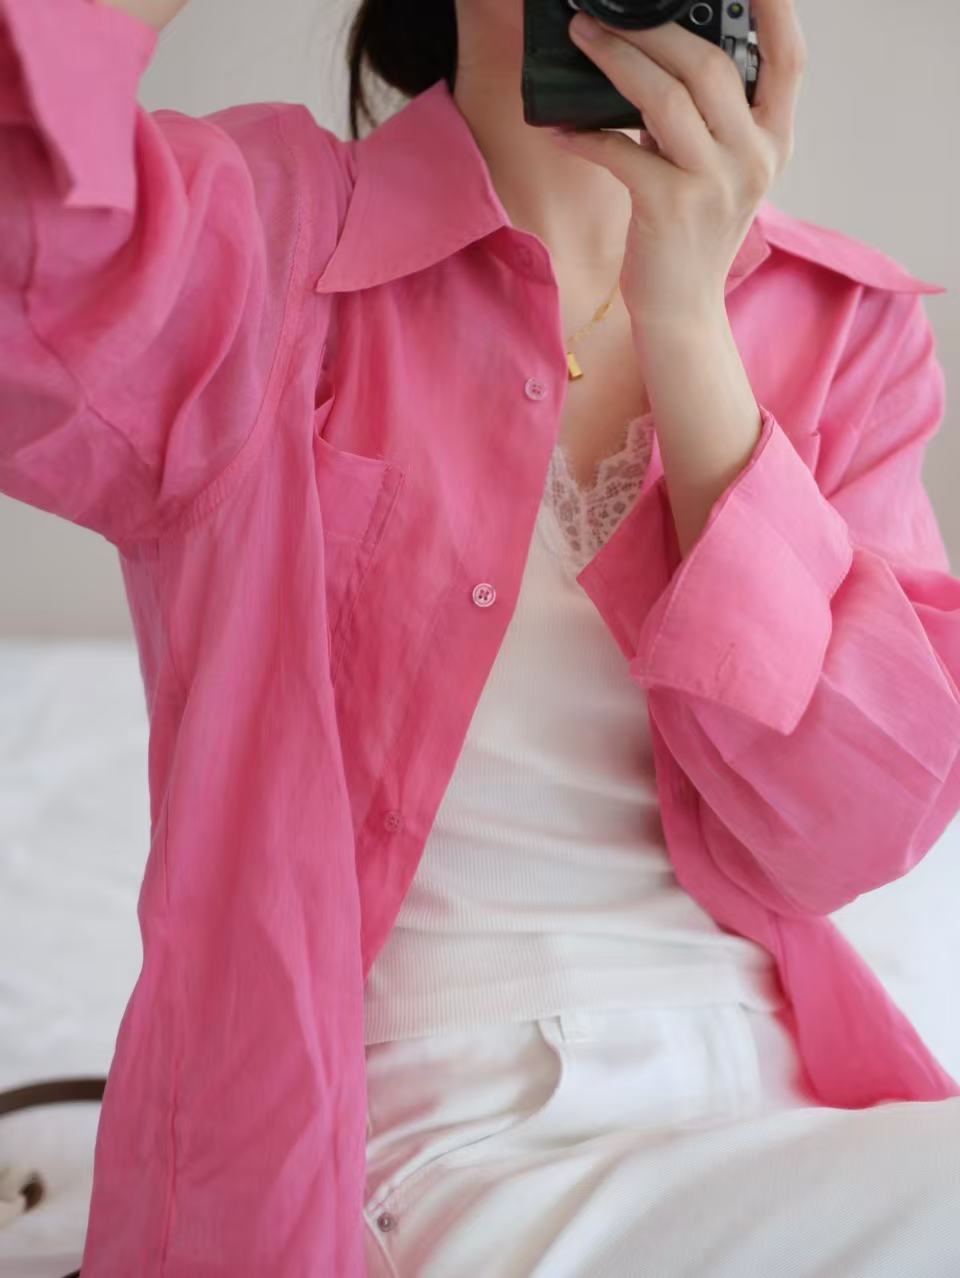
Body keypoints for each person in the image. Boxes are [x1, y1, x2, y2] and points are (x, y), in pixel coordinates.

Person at [2, 0, 959, 1274]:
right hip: (430, 1135)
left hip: (783, 1108)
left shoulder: (849, 327)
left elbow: (848, 833)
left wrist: (687, 324)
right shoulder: (270, 248)